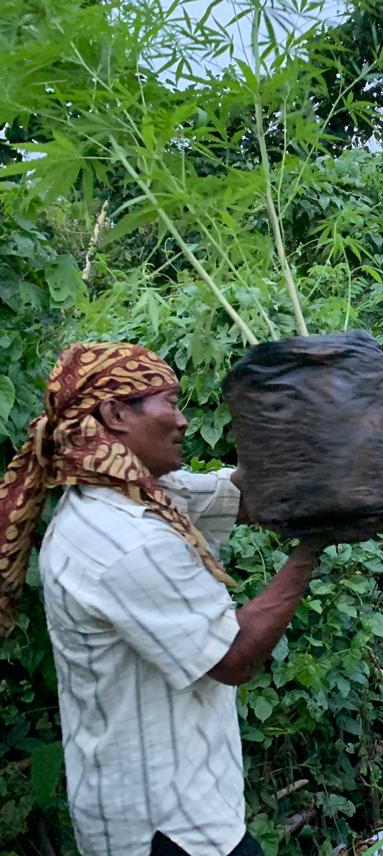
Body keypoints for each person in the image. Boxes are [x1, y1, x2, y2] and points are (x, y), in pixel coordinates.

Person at [0, 342, 335, 856]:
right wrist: (311, 549)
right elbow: (235, 655)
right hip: (168, 828)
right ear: (114, 414)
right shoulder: (123, 538)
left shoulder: (134, 495)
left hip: (161, 811)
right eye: (170, 402)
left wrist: (282, 433)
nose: (182, 420)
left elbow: (238, 498)